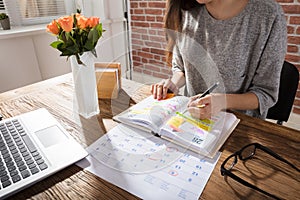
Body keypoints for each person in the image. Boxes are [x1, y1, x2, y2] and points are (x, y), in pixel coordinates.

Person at [150, 0, 287, 120]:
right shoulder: (187, 10)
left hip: (238, 126)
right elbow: (181, 69)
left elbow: (265, 94)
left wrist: (223, 101)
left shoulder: (268, 15)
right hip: (191, 120)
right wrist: (173, 84)